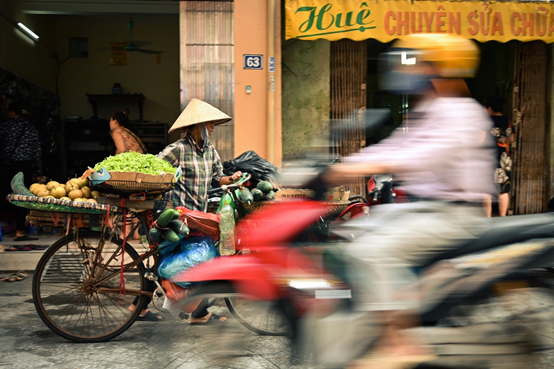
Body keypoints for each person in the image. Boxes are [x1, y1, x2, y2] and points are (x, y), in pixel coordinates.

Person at [322, 34, 496, 366]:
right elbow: (395, 146)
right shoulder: (429, 109)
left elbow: (424, 155)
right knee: (354, 233)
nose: (413, 69)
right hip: (425, 209)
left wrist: (367, 165)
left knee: (370, 252)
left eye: (422, 62)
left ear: (439, 68)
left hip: (453, 215)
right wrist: (341, 166)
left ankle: (398, 342)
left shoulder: (460, 111)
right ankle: (380, 313)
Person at [157, 98, 242, 325]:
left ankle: (196, 312)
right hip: (177, 218)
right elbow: (155, 169)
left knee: (202, 261)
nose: (213, 127)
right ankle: (196, 312)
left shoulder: (210, 151)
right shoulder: (177, 150)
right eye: (210, 123)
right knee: (190, 261)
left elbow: (217, 177)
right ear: (198, 125)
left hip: (199, 217)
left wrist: (231, 179)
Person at [0, 101, 42, 241]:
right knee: (22, 197)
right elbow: (37, 151)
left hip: (8, 164)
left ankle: (6, 228)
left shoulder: (5, 126)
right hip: (25, 165)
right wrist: (38, 171)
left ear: (12, 112)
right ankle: (20, 230)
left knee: (5, 195)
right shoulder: (30, 127)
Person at [483, 96, 513, 217]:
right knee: (503, 190)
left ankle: (487, 218)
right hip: (504, 159)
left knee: (486, 191)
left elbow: (479, 141)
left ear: (490, 108)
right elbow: (511, 139)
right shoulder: (508, 121)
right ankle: (503, 217)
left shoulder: (486, 122)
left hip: (488, 158)